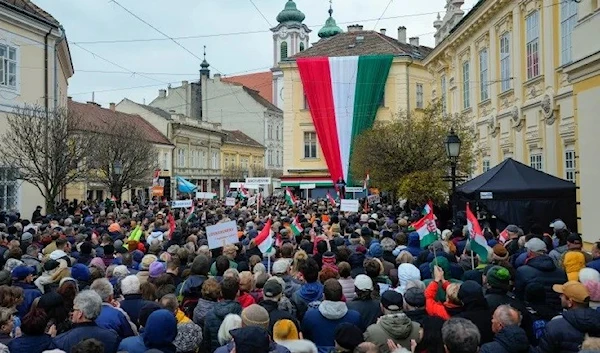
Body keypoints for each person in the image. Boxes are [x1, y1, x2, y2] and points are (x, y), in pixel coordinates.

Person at [535, 281, 600, 353]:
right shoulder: (597, 321)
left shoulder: (554, 326)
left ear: (570, 302)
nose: (560, 296)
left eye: (562, 295)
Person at [301, 279, 361, 352]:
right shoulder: (355, 317)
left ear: (323, 295)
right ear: (342, 295)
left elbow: (306, 338)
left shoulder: (310, 316)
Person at [53, 290, 120, 353]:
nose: (72, 313)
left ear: (80, 313)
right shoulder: (112, 337)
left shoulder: (60, 341)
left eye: (74, 309)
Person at [514, 238, 567, 312]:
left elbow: (519, 295)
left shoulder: (522, 271)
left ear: (530, 253)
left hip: (533, 311)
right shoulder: (561, 272)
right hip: (556, 310)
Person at [203, 276, 243, 353]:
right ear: (237, 292)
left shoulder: (210, 314)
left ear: (221, 292)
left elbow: (207, 341)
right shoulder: (243, 314)